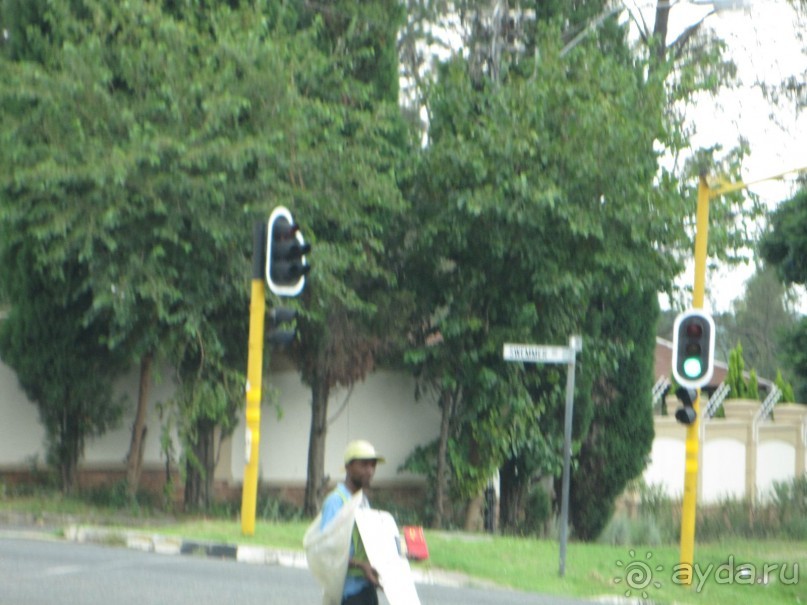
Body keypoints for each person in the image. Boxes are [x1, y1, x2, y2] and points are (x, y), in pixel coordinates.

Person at [320, 440, 385, 605]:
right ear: (348, 467)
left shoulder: (362, 500)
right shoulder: (336, 502)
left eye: (373, 465)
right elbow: (327, 551)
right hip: (348, 593)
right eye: (364, 465)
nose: (370, 471)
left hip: (366, 588)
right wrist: (361, 566)